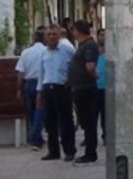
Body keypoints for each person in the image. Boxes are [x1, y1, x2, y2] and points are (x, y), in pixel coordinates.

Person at [36, 25, 76, 161]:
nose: (51, 37)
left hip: (62, 87)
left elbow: (75, 66)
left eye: (54, 34)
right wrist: (39, 91)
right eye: (49, 34)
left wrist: (71, 82)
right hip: (48, 87)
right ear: (45, 37)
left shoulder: (67, 50)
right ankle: (53, 151)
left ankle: (69, 150)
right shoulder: (43, 53)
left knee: (65, 120)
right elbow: (41, 72)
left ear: (59, 36)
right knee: (49, 121)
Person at [68, 20, 100, 164]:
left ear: (78, 30)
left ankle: (90, 153)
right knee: (85, 121)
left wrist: (94, 75)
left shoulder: (89, 46)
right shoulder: (83, 45)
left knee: (88, 122)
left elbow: (90, 66)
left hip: (85, 88)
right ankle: (89, 150)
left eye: (73, 30)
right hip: (80, 87)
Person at [14, 28, 46, 150]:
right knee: (40, 111)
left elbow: (20, 73)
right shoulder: (46, 51)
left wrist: (19, 89)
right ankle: (36, 137)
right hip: (41, 82)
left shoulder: (25, 53)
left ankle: (35, 136)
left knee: (31, 112)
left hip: (28, 83)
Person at [93, 28, 107, 142]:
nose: (103, 37)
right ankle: (90, 138)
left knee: (106, 115)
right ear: (97, 37)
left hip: (107, 87)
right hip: (94, 86)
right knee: (92, 115)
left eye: (105, 35)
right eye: (101, 35)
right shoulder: (93, 51)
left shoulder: (111, 51)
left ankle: (106, 135)